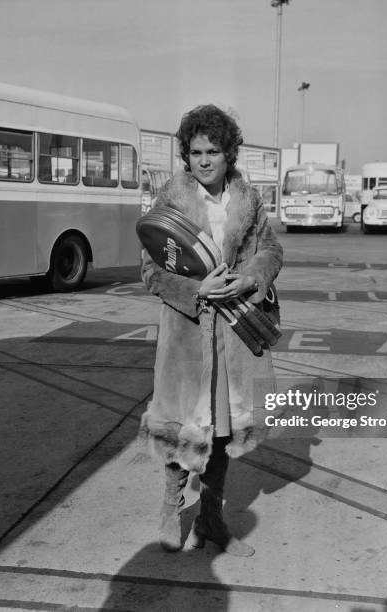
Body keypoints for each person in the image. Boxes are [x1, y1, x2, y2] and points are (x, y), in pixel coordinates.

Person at [139, 104, 283, 556]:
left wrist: (252, 277)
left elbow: (272, 248)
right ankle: (170, 509)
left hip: (235, 333)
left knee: (221, 429)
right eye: (195, 151)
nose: (203, 160)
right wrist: (195, 288)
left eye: (213, 151)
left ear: (229, 154)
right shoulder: (171, 198)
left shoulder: (249, 199)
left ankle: (211, 520)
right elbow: (149, 271)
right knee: (182, 426)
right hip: (187, 336)